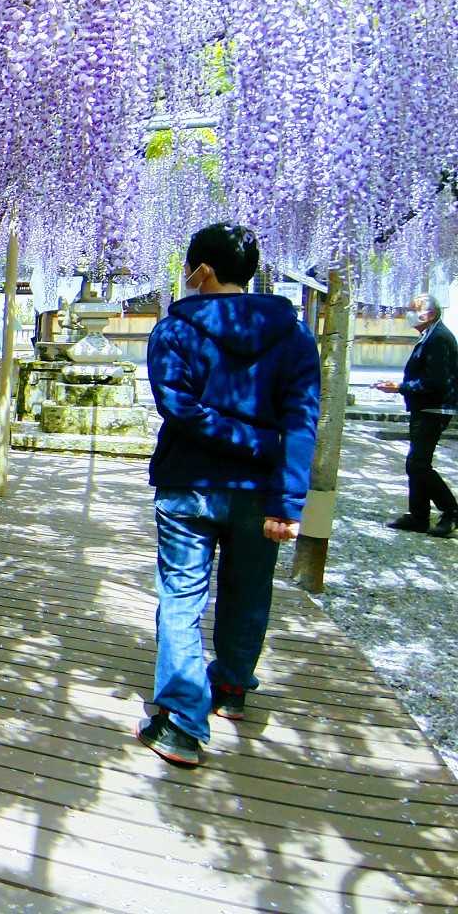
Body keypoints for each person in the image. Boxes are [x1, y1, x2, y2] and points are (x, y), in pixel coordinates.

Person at [140, 223, 320, 768]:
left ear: (203, 271)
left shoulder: (174, 331)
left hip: (189, 485)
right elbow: (301, 422)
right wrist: (286, 498)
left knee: (181, 596)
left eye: (189, 267)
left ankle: (181, 723)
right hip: (260, 490)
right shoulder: (294, 336)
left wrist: (247, 440)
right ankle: (232, 689)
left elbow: (179, 408)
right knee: (249, 590)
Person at [375, 294, 458, 536]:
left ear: (429, 314)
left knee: (418, 464)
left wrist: (400, 387)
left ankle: (451, 510)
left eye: (414, 309)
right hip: (425, 408)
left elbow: (436, 382)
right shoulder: (430, 335)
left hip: (434, 409)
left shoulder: (439, 338)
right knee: (416, 464)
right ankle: (418, 516)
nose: (409, 313)